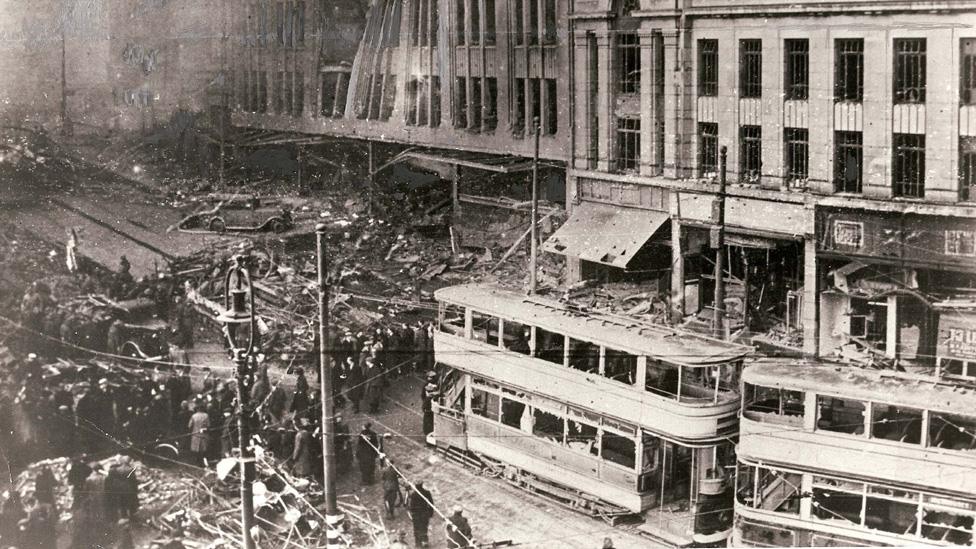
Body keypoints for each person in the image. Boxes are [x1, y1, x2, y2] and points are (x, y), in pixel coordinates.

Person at [408, 481, 435, 548]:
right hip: (425, 514)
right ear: (422, 485)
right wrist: (431, 513)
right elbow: (431, 504)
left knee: (416, 529)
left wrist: (411, 513)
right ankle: (425, 543)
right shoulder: (427, 493)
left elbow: (411, 507)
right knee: (424, 528)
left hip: (416, 515)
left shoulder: (413, 495)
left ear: (416, 486)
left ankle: (418, 544)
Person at [421, 371, 440, 440]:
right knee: (429, 420)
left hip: (428, 406)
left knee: (429, 420)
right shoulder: (434, 386)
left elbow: (423, 396)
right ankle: (428, 432)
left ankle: (429, 432)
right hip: (429, 407)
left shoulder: (427, 386)